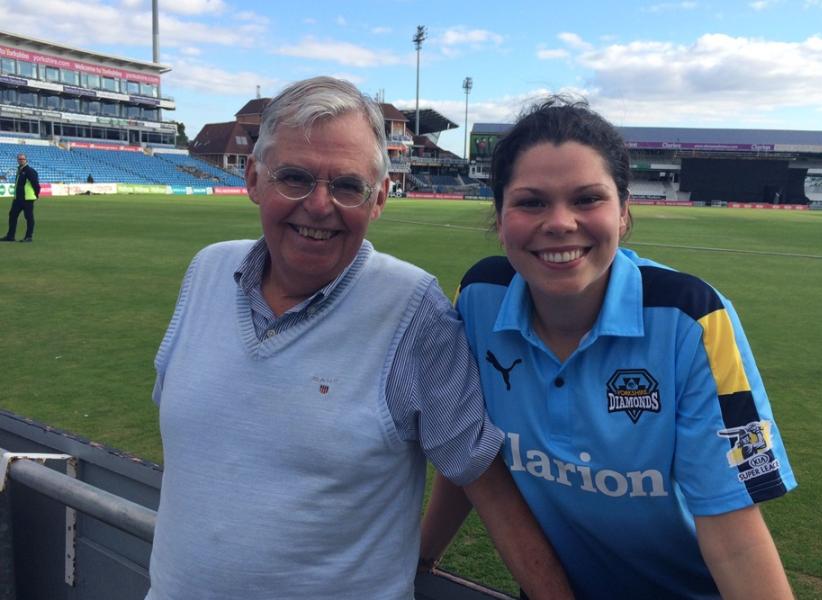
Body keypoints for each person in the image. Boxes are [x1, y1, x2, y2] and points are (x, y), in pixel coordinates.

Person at [147, 77, 572, 600]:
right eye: (294, 178)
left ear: (379, 199)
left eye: (347, 186)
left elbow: (484, 480)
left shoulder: (414, 310)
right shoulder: (206, 272)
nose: (320, 205)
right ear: (254, 178)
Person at [420, 98, 798, 599]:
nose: (559, 222)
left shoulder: (693, 319)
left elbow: (734, 535)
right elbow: (471, 457)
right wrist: (416, 564)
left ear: (623, 212)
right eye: (531, 201)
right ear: (500, 214)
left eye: (586, 199)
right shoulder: (477, 300)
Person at [1, 153, 40, 242]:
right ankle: (10, 236)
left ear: (26, 160)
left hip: (27, 199)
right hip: (18, 199)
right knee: (12, 215)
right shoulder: (19, 170)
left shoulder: (30, 171)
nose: (20, 160)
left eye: (22, 159)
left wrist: (36, 194)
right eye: (19, 159)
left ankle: (28, 237)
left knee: (28, 217)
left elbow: (36, 184)